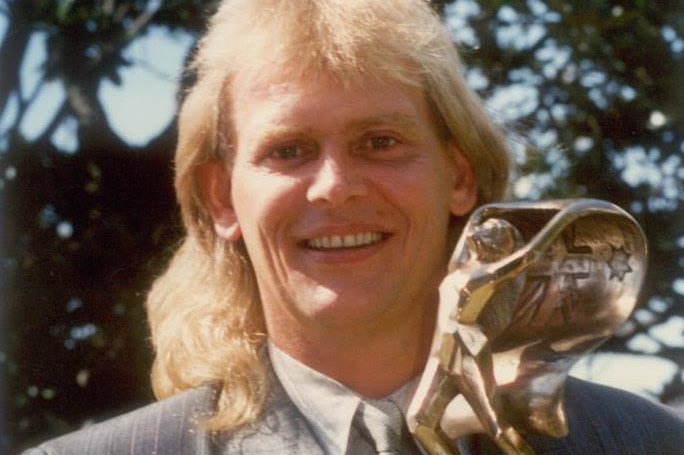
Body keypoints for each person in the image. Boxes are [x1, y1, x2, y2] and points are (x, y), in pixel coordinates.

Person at [24, 0, 683, 454]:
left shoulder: (648, 443)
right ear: (222, 198)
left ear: (459, 176)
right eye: (288, 150)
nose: (334, 185)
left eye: (379, 141)